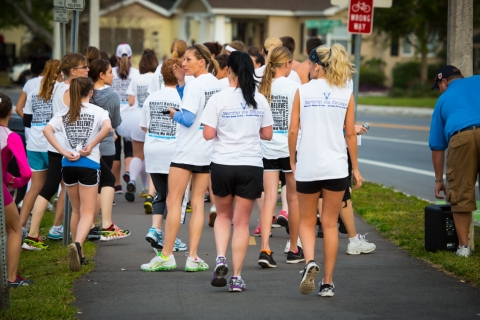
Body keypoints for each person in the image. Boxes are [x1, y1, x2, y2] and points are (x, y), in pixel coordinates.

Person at [289, 44, 362, 297]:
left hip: (308, 165)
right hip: (336, 167)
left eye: (309, 65)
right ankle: (328, 283)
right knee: (330, 225)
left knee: (308, 222)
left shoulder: (303, 91)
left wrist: (292, 159)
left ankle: (309, 261)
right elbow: (350, 133)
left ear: (317, 66)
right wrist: (357, 169)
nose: (308, 69)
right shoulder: (346, 93)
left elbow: (293, 130)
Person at [202, 51, 273, 292]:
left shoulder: (218, 99)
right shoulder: (259, 99)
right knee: (241, 224)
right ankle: (236, 277)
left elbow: (208, 134)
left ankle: (220, 257)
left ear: (229, 70)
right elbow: (268, 134)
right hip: (250, 165)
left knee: (223, 216)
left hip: (222, 164)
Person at [151, 44, 221, 271]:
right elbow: (198, 109)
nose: (184, 63)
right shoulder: (215, 84)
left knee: (173, 201)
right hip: (206, 150)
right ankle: (193, 257)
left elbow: (188, 117)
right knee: (198, 203)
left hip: (187, 150)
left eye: (189, 59)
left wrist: (173, 114)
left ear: (202, 61)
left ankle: (166, 255)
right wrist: (181, 82)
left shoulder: (197, 85)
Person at [22, 52, 89, 250]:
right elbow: (73, 118)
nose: (87, 69)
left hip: (57, 146)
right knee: (51, 188)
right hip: (65, 147)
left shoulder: (58, 86)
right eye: (84, 67)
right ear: (73, 71)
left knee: (51, 188)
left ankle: (42, 232)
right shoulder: (69, 90)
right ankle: (39, 234)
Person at [44, 77, 112, 271]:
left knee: (76, 210)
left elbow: (47, 130)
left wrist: (63, 151)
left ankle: (77, 252)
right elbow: (107, 127)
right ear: (90, 92)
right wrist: (91, 145)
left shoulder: (64, 112)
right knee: (88, 212)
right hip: (89, 164)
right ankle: (78, 245)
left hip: (68, 163)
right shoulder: (98, 111)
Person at [139, 59, 190, 272]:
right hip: (174, 151)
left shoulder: (152, 97)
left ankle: (155, 229)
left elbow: (144, 125)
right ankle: (172, 239)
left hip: (153, 149)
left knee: (161, 193)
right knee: (175, 198)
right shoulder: (183, 96)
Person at [257, 46, 302, 267]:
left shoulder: (262, 89)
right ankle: (293, 248)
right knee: (293, 200)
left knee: (269, 202)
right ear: (287, 64)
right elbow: (300, 122)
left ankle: (265, 248)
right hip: (290, 149)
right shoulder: (295, 88)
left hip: (267, 150)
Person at [429, 65, 480, 258]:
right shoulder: (478, 80)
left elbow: (437, 146)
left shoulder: (442, 100)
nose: (439, 91)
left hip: (461, 138)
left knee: (460, 193)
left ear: (444, 82)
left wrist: (438, 180)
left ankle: (463, 247)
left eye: (438, 87)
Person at [89, 58, 130, 241]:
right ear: (101, 75)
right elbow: (115, 122)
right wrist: (112, 128)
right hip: (105, 145)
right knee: (106, 183)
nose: (113, 75)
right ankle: (103, 224)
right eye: (110, 72)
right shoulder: (112, 96)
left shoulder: (87, 94)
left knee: (93, 185)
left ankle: (91, 224)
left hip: (87, 144)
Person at [20, 59, 60, 246]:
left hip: (34, 144)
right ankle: (57, 228)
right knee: (64, 185)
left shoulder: (34, 91)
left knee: (35, 188)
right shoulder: (60, 90)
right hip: (52, 145)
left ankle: (20, 228)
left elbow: (27, 121)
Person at [0, 93, 33, 288]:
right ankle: (11, 278)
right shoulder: (10, 136)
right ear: (10, 112)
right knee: (14, 230)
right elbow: (27, 173)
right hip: (1, 191)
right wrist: (17, 182)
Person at [124, 49, 158, 202]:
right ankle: (149, 188)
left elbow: (131, 101)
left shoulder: (136, 78)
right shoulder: (158, 78)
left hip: (136, 117)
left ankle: (132, 180)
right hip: (153, 119)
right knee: (152, 156)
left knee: (137, 154)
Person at [111, 44, 138, 194]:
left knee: (115, 152)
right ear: (131, 57)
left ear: (116, 57)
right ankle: (128, 171)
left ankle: (117, 185)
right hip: (131, 117)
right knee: (129, 150)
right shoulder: (136, 74)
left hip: (114, 116)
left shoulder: (110, 73)